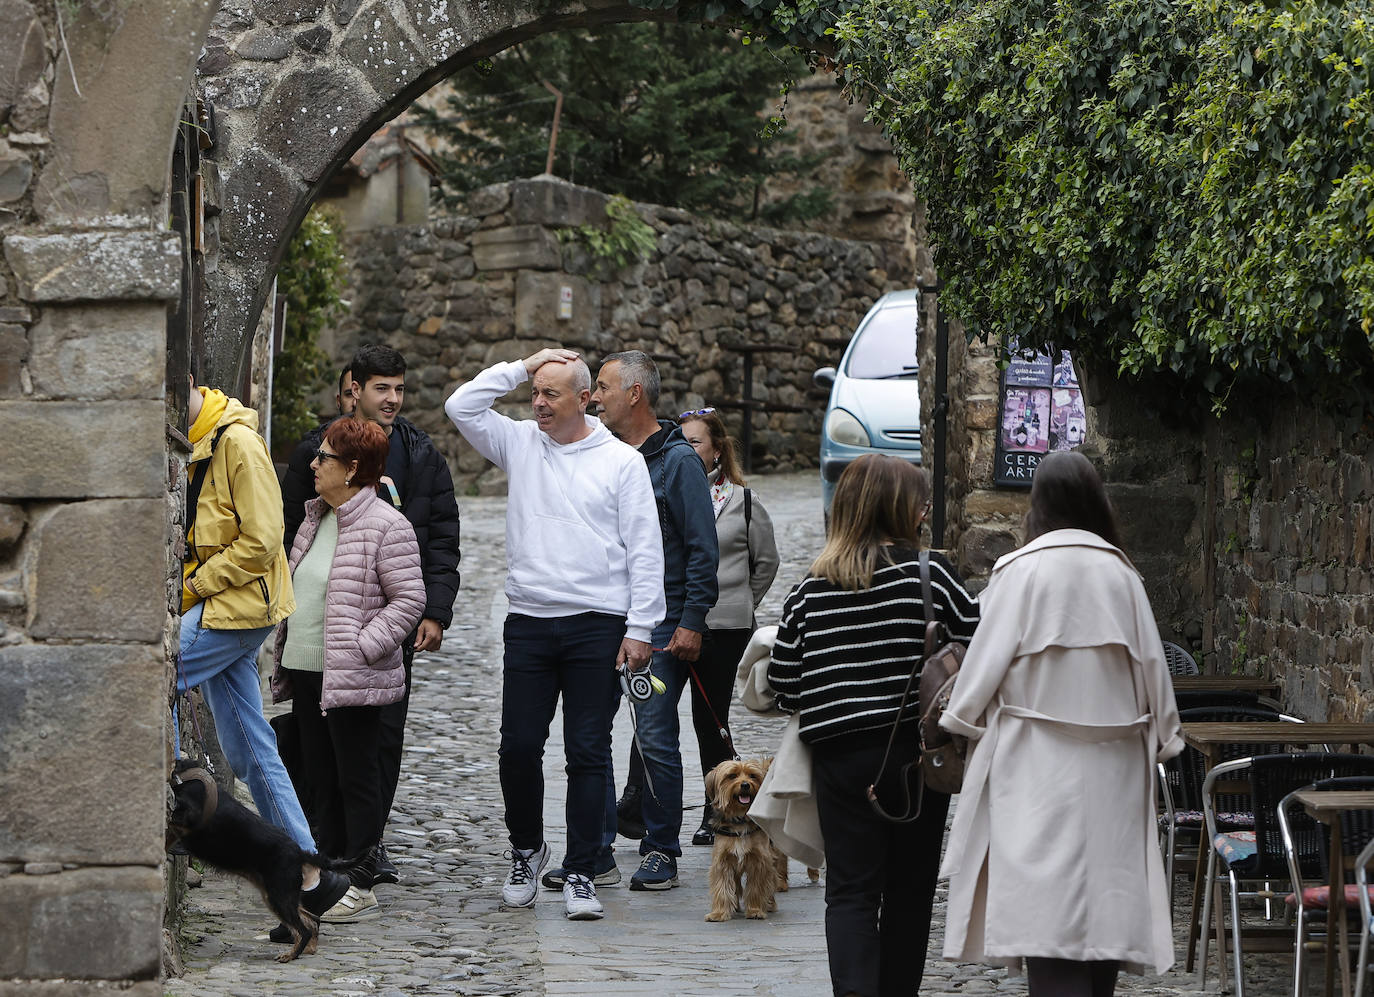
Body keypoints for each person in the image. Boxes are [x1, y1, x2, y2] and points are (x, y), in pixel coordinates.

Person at [939, 451, 1183, 997]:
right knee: (1105, 919)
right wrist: (1165, 737)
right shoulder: (1123, 576)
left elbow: (976, 681)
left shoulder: (1018, 574)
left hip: (1034, 770)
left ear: (1038, 505)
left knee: (1044, 920)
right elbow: (1154, 674)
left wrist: (959, 720)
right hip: (1113, 772)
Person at [443, 347, 665, 921]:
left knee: (588, 752)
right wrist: (525, 364)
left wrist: (641, 629)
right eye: (534, 393)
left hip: (598, 623)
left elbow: (645, 551)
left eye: (550, 394)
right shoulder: (520, 442)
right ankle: (527, 849)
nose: (538, 404)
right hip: (530, 622)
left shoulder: (621, 462)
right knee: (518, 746)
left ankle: (583, 870)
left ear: (584, 399)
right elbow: (461, 405)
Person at [768, 455, 979, 997]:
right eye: (920, 502)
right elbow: (978, 658)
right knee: (910, 892)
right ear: (898, 509)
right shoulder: (933, 577)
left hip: (840, 760)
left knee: (851, 892)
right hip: (916, 758)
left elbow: (784, 683)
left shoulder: (810, 590)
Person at [282, 345, 461, 888]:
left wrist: (432, 612)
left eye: (400, 389)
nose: (393, 399)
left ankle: (363, 852)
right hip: (315, 652)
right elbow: (288, 540)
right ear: (354, 389)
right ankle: (328, 859)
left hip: (369, 643)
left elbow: (439, 538)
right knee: (321, 762)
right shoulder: (315, 476)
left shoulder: (419, 454)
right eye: (382, 388)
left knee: (375, 747)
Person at [178, 375, 350, 926]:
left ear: (184, 381)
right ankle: (311, 876)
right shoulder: (195, 441)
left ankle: (175, 816)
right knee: (251, 747)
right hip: (227, 605)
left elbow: (262, 540)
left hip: (238, 608)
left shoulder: (237, 444)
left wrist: (192, 586)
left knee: (156, 675)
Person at [269, 418, 426, 923]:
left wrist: (365, 647)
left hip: (354, 674)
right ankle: (329, 878)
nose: (313, 465)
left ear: (353, 468)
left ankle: (360, 879)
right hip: (310, 669)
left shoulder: (387, 525)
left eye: (324, 458)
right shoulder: (316, 518)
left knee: (357, 778)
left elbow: (408, 601)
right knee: (319, 778)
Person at [588, 350, 719, 892]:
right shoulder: (596, 452)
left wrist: (691, 620)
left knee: (656, 737)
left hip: (663, 625)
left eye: (603, 387)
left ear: (634, 394)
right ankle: (591, 849)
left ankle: (661, 848)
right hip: (600, 615)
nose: (593, 397)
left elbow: (701, 548)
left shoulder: (678, 461)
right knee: (589, 737)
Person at [679, 407, 782, 844]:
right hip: (674, 621)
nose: (688, 450)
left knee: (710, 717)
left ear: (717, 450)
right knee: (656, 714)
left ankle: (715, 813)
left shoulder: (743, 502)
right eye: (681, 443)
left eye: (696, 442)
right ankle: (640, 805)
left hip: (725, 627)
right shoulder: (669, 493)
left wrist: (741, 602)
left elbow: (767, 561)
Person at [282, 363, 356, 551]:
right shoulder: (311, 448)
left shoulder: (410, 449)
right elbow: (289, 527)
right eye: (349, 394)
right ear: (338, 400)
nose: (356, 402)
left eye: (324, 457)